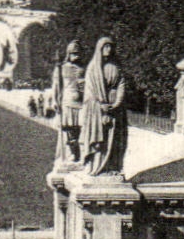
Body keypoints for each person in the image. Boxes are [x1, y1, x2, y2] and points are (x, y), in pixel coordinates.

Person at [80, 37, 128, 178]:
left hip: (115, 108)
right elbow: (89, 91)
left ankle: (113, 167)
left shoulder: (116, 67)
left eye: (110, 47)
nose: (108, 49)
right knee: (100, 140)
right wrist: (101, 104)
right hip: (97, 109)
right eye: (105, 47)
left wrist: (116, 103)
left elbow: (121, 85)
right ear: (99, 49)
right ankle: (97, 168)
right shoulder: (93, 68)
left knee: (115, 140)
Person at [51, 40, 86, 165]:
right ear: (69, 54)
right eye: (74, 53)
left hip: (81, 103)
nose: (76, 56)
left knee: (81, 129)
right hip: (67, 101)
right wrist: (55, 100)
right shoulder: (61, 68)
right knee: (70, 131)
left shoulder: (83, 68)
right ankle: (73, 154)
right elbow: (56, 86)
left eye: (78, 53)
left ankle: (81, 155)